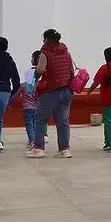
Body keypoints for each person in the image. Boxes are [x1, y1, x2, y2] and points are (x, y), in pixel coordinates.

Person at [29, 29, 75, 159]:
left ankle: (38, 148)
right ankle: (64, 149)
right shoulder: (66, 52)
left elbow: (41, 69)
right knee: (63, 121)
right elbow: (71, 70)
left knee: (40, 118)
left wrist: (36, 74)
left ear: (46, 39)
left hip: (51, 90)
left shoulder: (45, 52)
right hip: (66, 90)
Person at [89, 47, 111, 152]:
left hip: (108, 98)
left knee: (110, 121)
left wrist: (89, 91)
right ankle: (108, 143)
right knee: (110, 120)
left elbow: (96, 82)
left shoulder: (104, 68)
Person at [19, 51, 47, 149]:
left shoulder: (29, 77)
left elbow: (25, 89)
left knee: (30, 124)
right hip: (39, 104)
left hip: (28, 106)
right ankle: (42, 137)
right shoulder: (44, 74)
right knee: (40, 122)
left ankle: (32, 140)